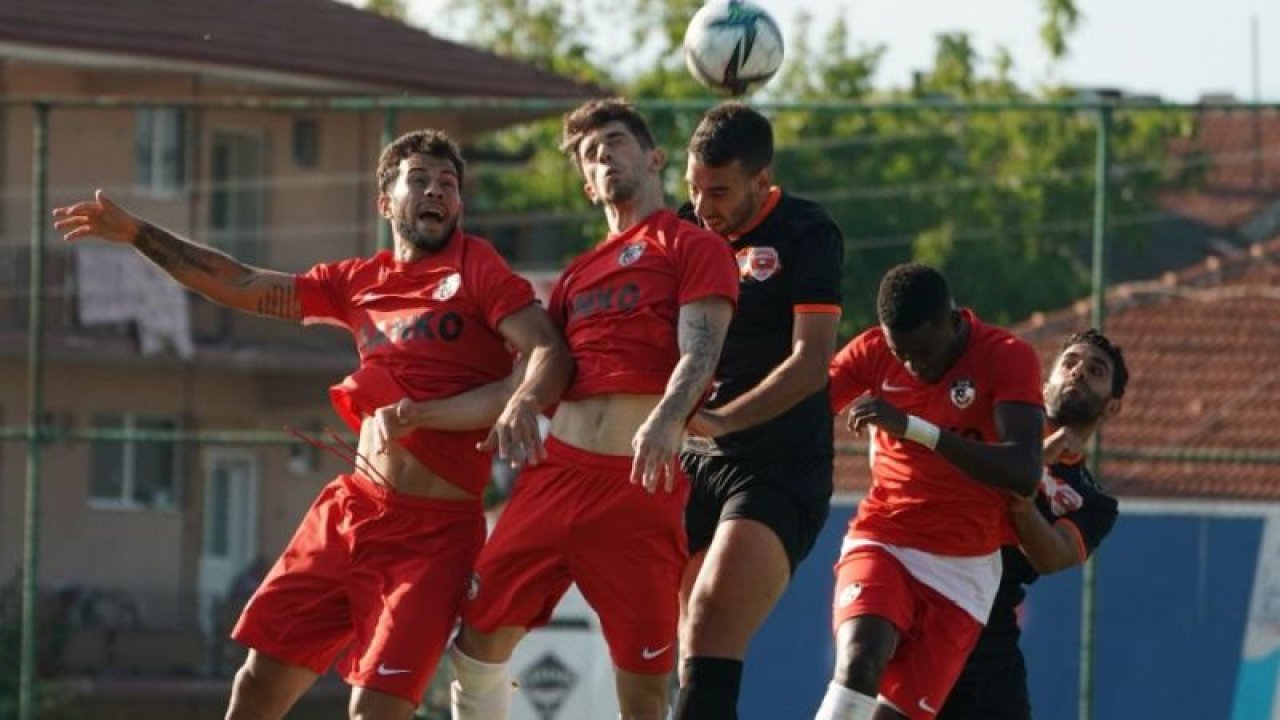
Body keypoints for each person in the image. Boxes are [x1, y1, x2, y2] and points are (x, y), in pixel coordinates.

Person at [51, 129, 572, 720]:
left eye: (448, 184)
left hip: (432, 539)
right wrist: (139, 235)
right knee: (256, 689)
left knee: (373, 711)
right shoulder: (357, 280)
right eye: (420, 180)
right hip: (350, 514)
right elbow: (240, 282)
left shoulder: (476, 266)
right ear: (385, 202)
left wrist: (522, 401)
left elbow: (546, 348)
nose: (436, 192)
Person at [447, 97, 740, 720]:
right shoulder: (578, 274)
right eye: (590, 152)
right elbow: (550, 365)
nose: (603, 154)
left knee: (642, 688)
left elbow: (701, 351)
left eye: (615, 141)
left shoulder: (694, 246)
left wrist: (665, 419)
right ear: (586, 184)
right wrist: (523, 401)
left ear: (654, 157)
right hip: (556, 477)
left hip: (637, 484)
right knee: (476, 641)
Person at [674, 101, 844, 720]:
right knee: (676, 642)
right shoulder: (683, 229)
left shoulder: (806, 231)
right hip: (689, 462)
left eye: (717, 192)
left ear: (762, 180)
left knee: (713, 615)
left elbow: (810, 362)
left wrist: (723, 420)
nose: (702, 206)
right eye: (693, 188)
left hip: (775, 465)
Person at [818, 263, 1046, 720]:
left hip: (964, 574)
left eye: (923, 351)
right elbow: (801, 412)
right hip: (884, 539)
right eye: (901, 353)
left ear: (952, 320)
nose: (913, 366)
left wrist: (918, 430)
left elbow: (1024, 470)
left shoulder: (1005, 355)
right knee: (860, 659)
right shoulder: (873, 351)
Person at [938, 328, 1126, 720]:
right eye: (1070, 363)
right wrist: (1033, 459)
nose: (1078, 372)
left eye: (1096, 370)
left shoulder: (1094, 502)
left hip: (992, 628)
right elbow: (953, 483)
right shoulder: (995, 422)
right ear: (1044, 384)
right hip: (932, 591)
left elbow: (1051, 557)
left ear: (1112, 407)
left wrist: (1024, 497)